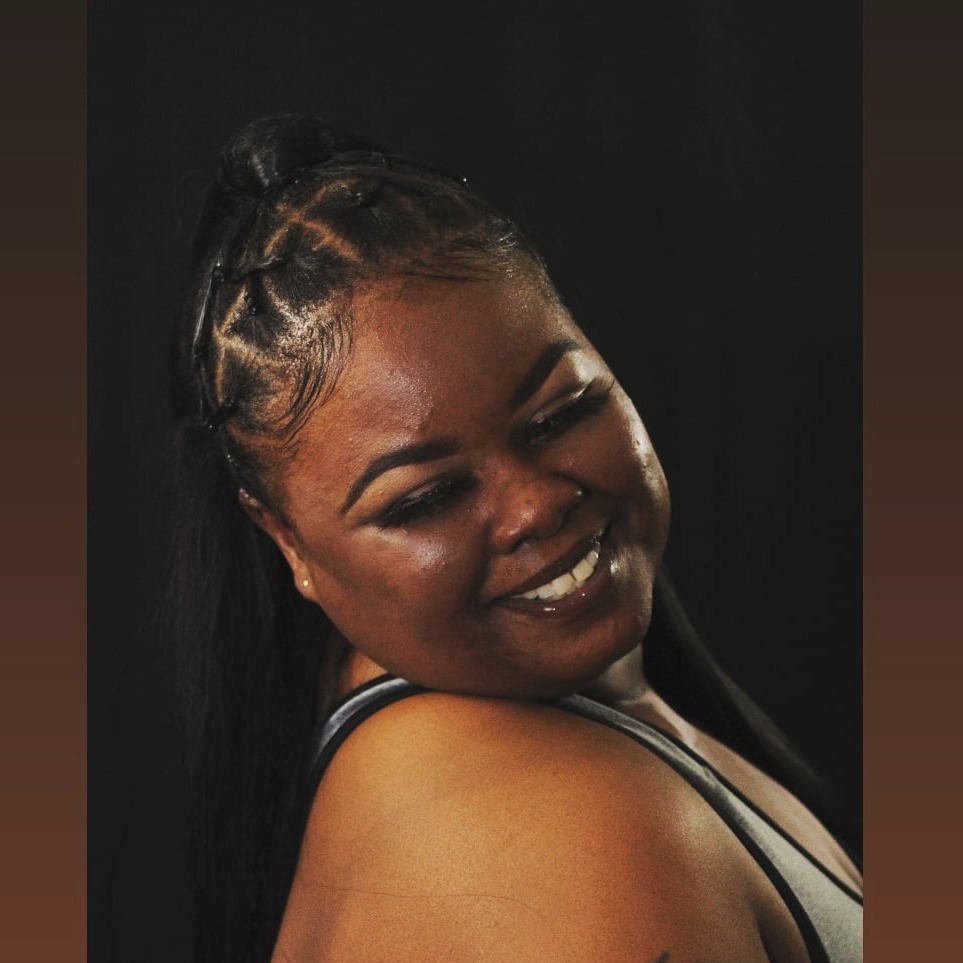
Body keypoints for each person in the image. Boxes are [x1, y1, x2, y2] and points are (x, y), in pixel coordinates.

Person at [171, 113, 862, 963]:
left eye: (560, 413)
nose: (535, 504)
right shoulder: (552, 834)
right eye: (426, 498)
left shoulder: (557, 749)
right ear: (286, 540)